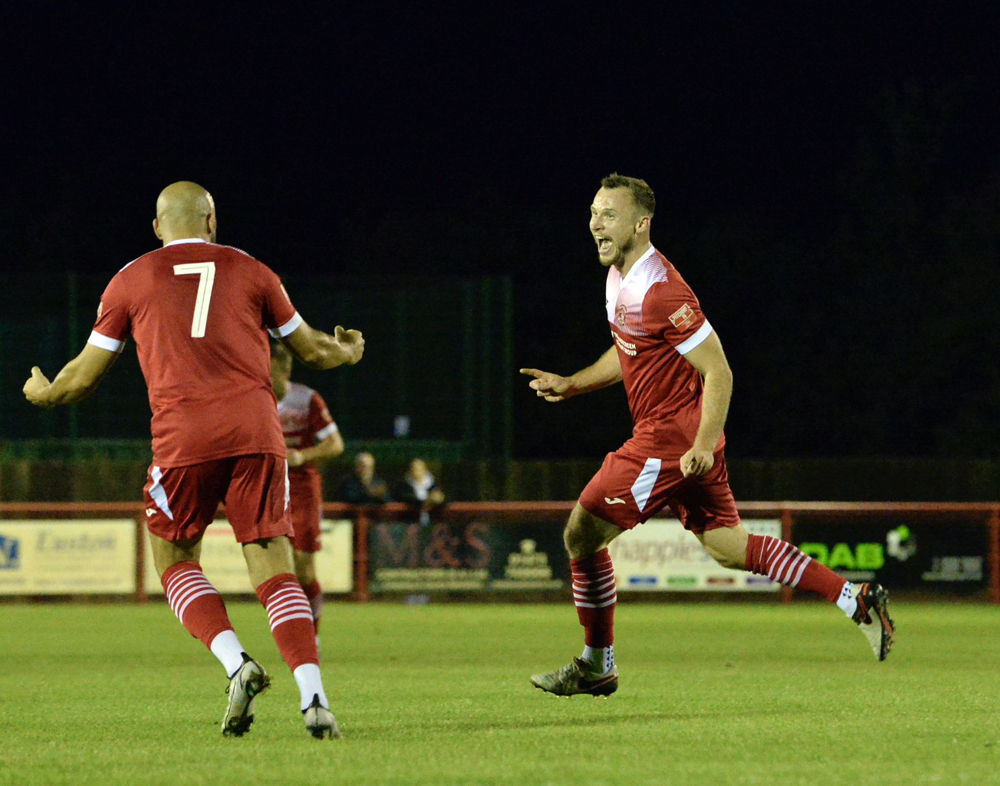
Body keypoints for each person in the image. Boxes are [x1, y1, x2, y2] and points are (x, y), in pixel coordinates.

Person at [520, 174, 894, 697]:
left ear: (640, 223)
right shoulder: (619, 281)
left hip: (670, 441)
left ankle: (596, 663)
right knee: (728, 547)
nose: (595, 224)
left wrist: (699, 444)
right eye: (593, 213)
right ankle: (852, 596)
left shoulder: (663, 289)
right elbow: (629, 351)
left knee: (581, 534)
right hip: (686, 440)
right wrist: (573, 383)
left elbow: (719, 371)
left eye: (608, 214)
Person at [23, 181, 364, 739]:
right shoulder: (252, 270)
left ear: (157, 228)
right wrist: (347, 349)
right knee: (274, 568)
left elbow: (78, 380)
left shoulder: (130, 279)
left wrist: (43, 392)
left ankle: (237, 663)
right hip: (257, 431)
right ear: (211, 220)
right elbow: (313, 351)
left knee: (174, 557)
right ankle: (315, 698)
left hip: (184, 438)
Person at [270, 339, 344, 649]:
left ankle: (311, 635)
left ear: (283, 366)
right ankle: (291, 635)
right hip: (267, 489)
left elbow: (336, 444)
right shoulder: (250, 398)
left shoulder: (306, 399)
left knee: (303, 566)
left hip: (300, 489)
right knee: (274, 567)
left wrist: (302, 456)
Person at [393, 458, 446, 524]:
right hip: (410, 524)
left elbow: (442, 499)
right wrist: (427, 501)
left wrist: (439, 499)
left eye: (419, 469)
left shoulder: (434, 485)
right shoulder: (404, 486)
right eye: (414, 469)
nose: (416, 471)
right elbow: (407, 499)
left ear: (425, 470)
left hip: (433, 524)